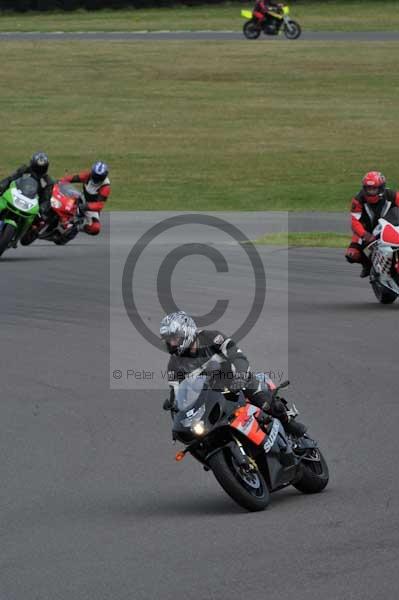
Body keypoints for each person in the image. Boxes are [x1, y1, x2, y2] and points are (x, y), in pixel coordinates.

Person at [160, 310, 306, 437]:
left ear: (187, 331)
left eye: (174, 338)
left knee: (265, 403)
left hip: (237, 381)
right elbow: (177, 394)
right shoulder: (174, 365)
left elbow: (237, 356)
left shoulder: (212, 337)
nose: (171, 343)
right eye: (169, 340)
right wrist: (178, 418)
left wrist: (241, 376)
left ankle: (288, 422)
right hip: (211, 395)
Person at [345, 171, 399, 278]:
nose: (371, 192)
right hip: (366, 230)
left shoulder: (392, 195)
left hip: (390, 227)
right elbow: (355, 221)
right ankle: (367, 265)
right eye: (368, 189)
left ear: (381, 188)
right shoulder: (358, 199)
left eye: (374, 189)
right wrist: (365, 235)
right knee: (352, 254)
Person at [60, 161, 110, 236]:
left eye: (99, 177)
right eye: (95, 175)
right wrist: (61, 181)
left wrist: (85, 207)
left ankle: (78, 227)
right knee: (66, 198)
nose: (96, 178)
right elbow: (73, 178)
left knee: (95, 228)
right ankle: (61, 218)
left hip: (92, 208)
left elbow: (100, 205)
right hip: (81, 198)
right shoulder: (88, 176)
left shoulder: (105, 187)